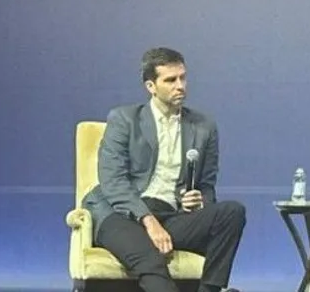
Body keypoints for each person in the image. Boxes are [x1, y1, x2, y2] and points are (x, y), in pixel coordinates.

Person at [81, 47, 246, 292]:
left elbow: (207, 185)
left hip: (171, 214)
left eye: (183, 77)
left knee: (232, 212)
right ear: (151, 86)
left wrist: (199, 202)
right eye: (170, 80)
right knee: (151, 260)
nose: (180, 86)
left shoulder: (204, 127)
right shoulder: (124, 119)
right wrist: (149, 221)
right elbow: (113, 182)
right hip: (120, 214)